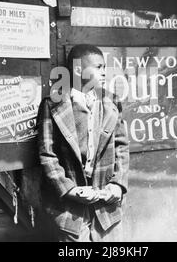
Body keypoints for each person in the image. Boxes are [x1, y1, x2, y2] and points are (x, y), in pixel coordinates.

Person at [37, 44, 129, 242]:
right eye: (98, 67)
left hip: (106, 204)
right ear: (78, 69)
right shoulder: (53, 104)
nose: (104, 72)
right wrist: (69, 190)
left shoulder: (111, 101)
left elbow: (121, 146)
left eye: (105, 67)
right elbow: (47, 155)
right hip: (70, 209)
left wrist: (118, 185)